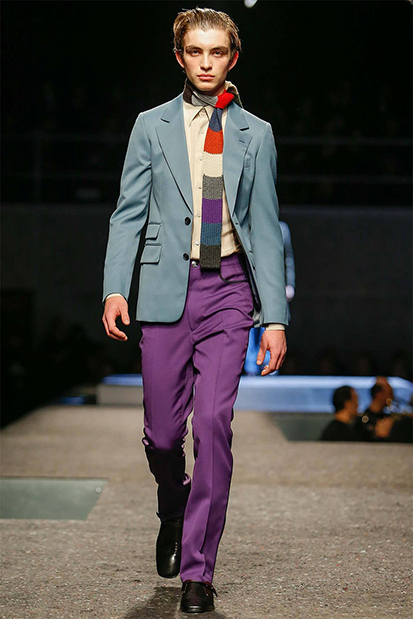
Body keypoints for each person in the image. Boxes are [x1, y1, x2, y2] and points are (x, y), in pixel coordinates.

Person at [101, 8, 288, 613]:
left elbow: (265, 226)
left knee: (212, 424)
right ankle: (172, 505)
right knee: (162, 436)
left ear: (233, 57)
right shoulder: (150, 125)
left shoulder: (256, 133)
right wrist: (115, 287)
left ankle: (199, 573)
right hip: (164, 287)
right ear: (179, 56)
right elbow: (128, 212)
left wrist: (275, 317)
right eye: (195, 51)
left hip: (229, 288)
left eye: (217, 52)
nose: (207, 63)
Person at [244, 219, 295, 375]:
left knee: (271, 323)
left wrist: (290, 284)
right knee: (250, 325)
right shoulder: (247, 225)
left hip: (272, 285)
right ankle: (251, 366)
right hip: (251, 284)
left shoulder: (282, 228)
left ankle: (268, 364)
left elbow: (288, 259)